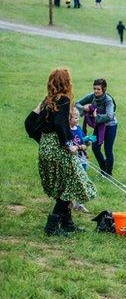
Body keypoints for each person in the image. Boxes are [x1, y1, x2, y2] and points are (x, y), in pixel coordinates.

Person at [28, 68, 97, 236]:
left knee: (63, 185)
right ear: (66, 82)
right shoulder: (64, 100)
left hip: (46, 148)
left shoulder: (47, 101)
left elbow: (29, 123)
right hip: (59, 148)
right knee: (69, 184)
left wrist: (42, 141)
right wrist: (69, 144)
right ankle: (51, 227)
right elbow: (60, 124)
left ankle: (67, 224)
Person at [75, 78, 118, 175]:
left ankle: (108, 173)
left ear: (104, 89)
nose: (96, 91)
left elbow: (110, 116)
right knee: (95, 147)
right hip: (99, 126)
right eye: (94, 88)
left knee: (108, 149)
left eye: (98, 89)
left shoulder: (108, 100)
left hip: (110, 126)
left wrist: (96, 116)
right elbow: (77, 103)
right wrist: (83, 107)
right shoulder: (92, 96)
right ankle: (103, 169)